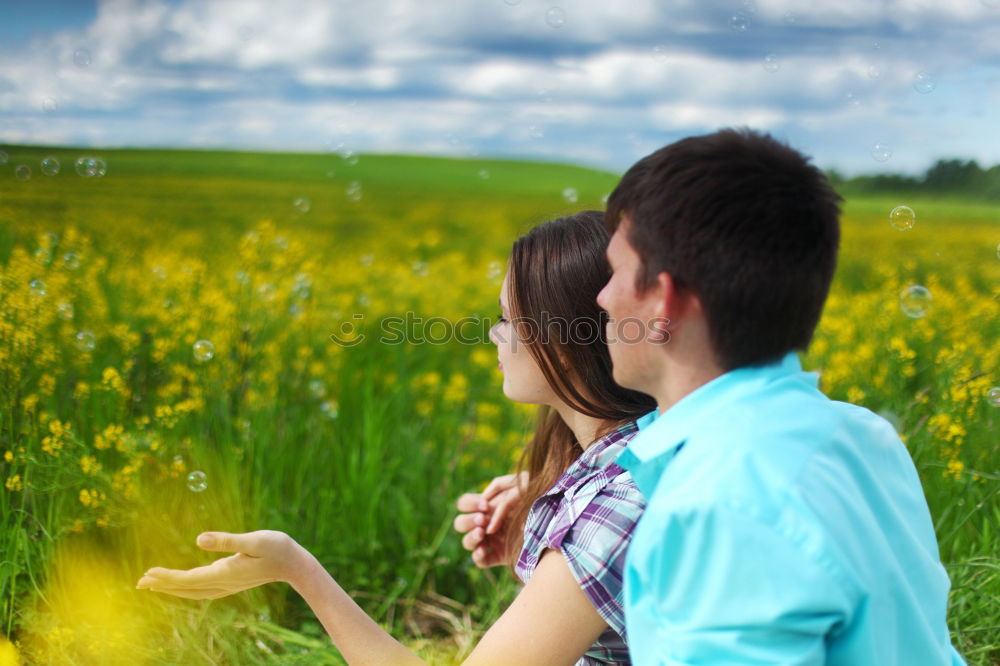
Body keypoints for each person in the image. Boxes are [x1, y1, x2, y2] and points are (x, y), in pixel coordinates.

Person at [136, 211, 657, 666]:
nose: (496, 335)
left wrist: (297, 569)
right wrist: (549, 498)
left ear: (564, 339)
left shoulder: (610, 511)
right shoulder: (657, 443)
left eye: (506, 318)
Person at [592, 128, 966, 665]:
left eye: (614, 272)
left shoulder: (721, 503)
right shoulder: (860, 433)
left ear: (664, 302)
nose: (602, 298)